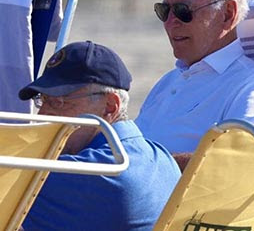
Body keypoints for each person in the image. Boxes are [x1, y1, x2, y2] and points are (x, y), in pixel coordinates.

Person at [18, 41, 181, 231]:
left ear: (110, 106)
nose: (43, 114)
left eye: (60, 102)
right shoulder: (160, 157)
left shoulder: (92, 172)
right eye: (43, 100)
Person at [137, 0, 254, 170]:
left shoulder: (249, 87)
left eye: (183, 11)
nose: (171, 22)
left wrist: (142, 166)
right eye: (164, 10)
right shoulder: (170, 80)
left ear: (227, 14)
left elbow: (241, 164)